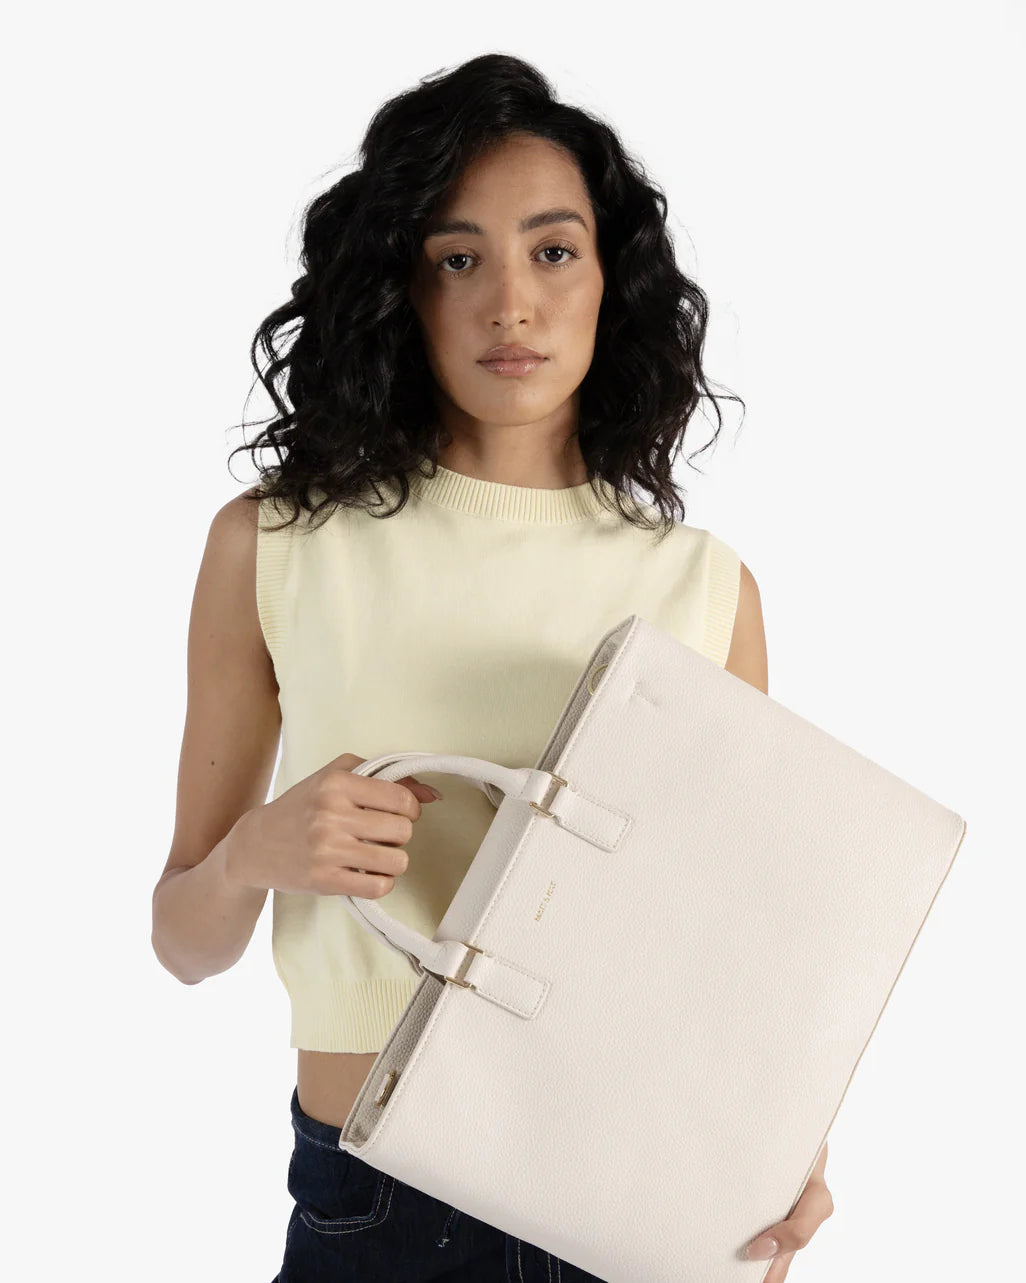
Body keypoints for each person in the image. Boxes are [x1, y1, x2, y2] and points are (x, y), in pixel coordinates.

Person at [150, 52, 833, 1283]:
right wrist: (258, 850)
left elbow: (726, 955)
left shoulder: (706, 587)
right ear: (400, 289)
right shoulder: (276, 544)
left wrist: (789, 1144)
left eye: (553, 250)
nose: (511, 303)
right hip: (373, 1197)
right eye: (458, 259)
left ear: (612, 280)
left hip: (622, 1180)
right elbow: (182, 938)